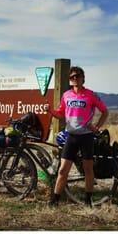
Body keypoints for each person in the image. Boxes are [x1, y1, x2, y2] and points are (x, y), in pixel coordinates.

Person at [46, 66, 109, 207]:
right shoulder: (66, 95)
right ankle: (55, 200)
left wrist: (97, 127)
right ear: (69, 80)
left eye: (78, 76)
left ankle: (88, 200)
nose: (75, 78)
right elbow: (60, 113)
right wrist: (50, 111)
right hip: (71, 136)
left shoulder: (90, 94)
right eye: (72, 77)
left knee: (88, 169)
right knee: (63, 170)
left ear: (83, 78)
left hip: (86, 136)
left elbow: (105, 111)